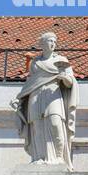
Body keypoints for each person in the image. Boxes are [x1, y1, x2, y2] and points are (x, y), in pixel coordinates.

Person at [11, 31, 78, 167]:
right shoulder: (35, 63)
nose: (53, 43)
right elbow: (30, 84)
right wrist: (20, 100)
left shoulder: (61, 61)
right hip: (36, 96)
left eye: (54, 41)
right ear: (42, 43)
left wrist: (63, 77)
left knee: (55, 124)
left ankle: (59, 158)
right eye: (50, 41)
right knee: (37, 127)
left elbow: (71, 82)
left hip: (54, 94)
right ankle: (39, 157)